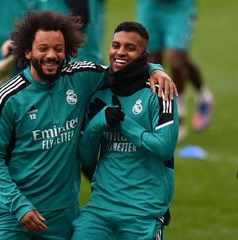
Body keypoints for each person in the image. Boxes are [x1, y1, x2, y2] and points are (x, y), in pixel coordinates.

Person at [0, 11, 176, 240]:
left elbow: (123, 69)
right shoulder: (7, 98)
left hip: (61, 218)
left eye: (58, 49)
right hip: (14, 215)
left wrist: (156, 69)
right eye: (43, 49)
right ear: (28, 51)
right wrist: (19, 205)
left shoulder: (82, 77)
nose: (51, 56)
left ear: (68, 51)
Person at [72, 21, 178, 240]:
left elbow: (165, 148)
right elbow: (86, 156)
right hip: (101, 208)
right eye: (115, 45)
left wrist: (123, 122)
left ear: (143, 55)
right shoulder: (99, 93)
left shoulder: (160, 91)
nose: (120, 52)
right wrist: (99, 122)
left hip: (144, 212)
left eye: (130, 48)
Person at [137, 0, 214, 141]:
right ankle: (160, 113)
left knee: (176, 61)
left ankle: (179, 114)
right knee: (152, 61)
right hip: (150, 6)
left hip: (179, 6)